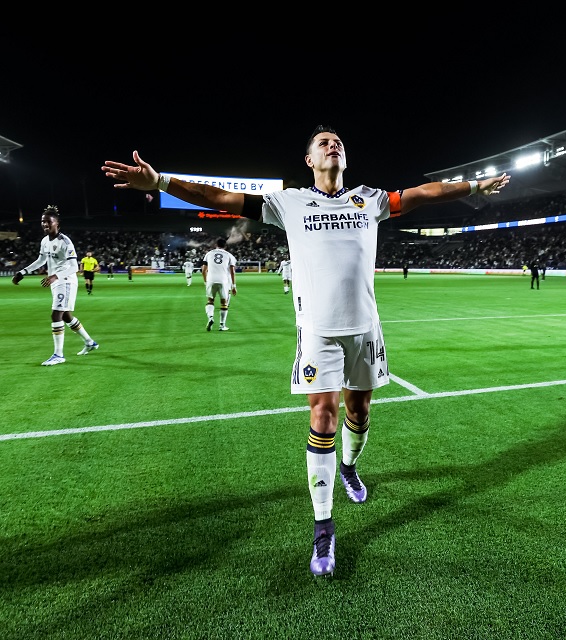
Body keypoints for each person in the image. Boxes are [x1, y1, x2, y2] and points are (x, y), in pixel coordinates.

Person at [102, 125, 509, 577]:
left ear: (344, 159)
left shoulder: (369, 201)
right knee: (323, 416)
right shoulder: (288, 202)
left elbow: (422, 194)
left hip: (365, 331)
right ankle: (323, 528)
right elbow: (218, 197)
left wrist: (474, 184)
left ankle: (350, 466)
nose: (332, 146)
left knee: (360, 413)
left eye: (338, 142)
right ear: (310, 161)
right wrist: (160, 182)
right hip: (317, 332)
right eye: (322, 144)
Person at [12, 205, 99, 365]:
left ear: (57, 223)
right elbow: (41, 260)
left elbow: (73, 267)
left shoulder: (65, 242)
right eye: (43, 222)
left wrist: (55, 276)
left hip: (65, 281)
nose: (45, 224)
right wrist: (23, 272)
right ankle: (89, 342)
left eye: (48, 222)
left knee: (55, 315)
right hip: (56, 282)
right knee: (65, 316)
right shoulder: (45, 241)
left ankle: (59, 355)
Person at [201, 237, 237, 331]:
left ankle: (210, 317)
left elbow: (204, 270)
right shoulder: (229, 255)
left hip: (211, 279)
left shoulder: (209, 254)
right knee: (224, 303)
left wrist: (206, 281)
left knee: (210, 300)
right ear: (225, 246)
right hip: (223, 280)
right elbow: (232, 272)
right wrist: (233, 286)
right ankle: (222, 325)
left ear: (216, 245)